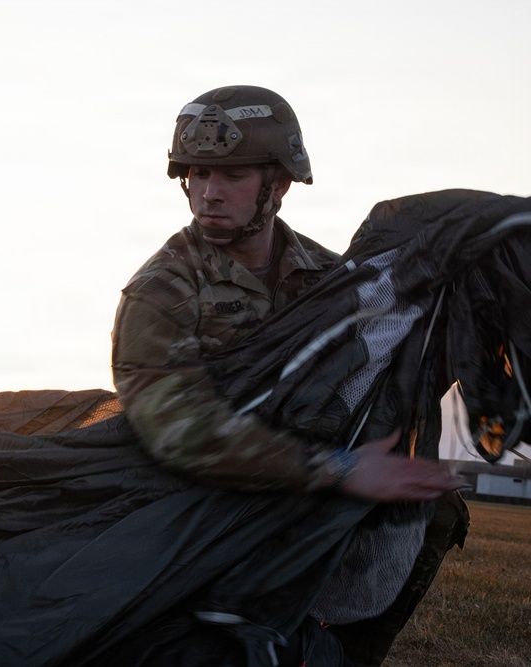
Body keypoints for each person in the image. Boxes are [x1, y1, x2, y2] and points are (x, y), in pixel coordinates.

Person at [110, 85, 469, 666]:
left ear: (278, 184)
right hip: (200, 489)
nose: (209, 192)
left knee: (432, 508)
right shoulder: (161, 290)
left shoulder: (331, 276)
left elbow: (383, 367)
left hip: (303, 472)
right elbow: (177, 431)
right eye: (198, 173)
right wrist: (340, 469)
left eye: (232, 175)